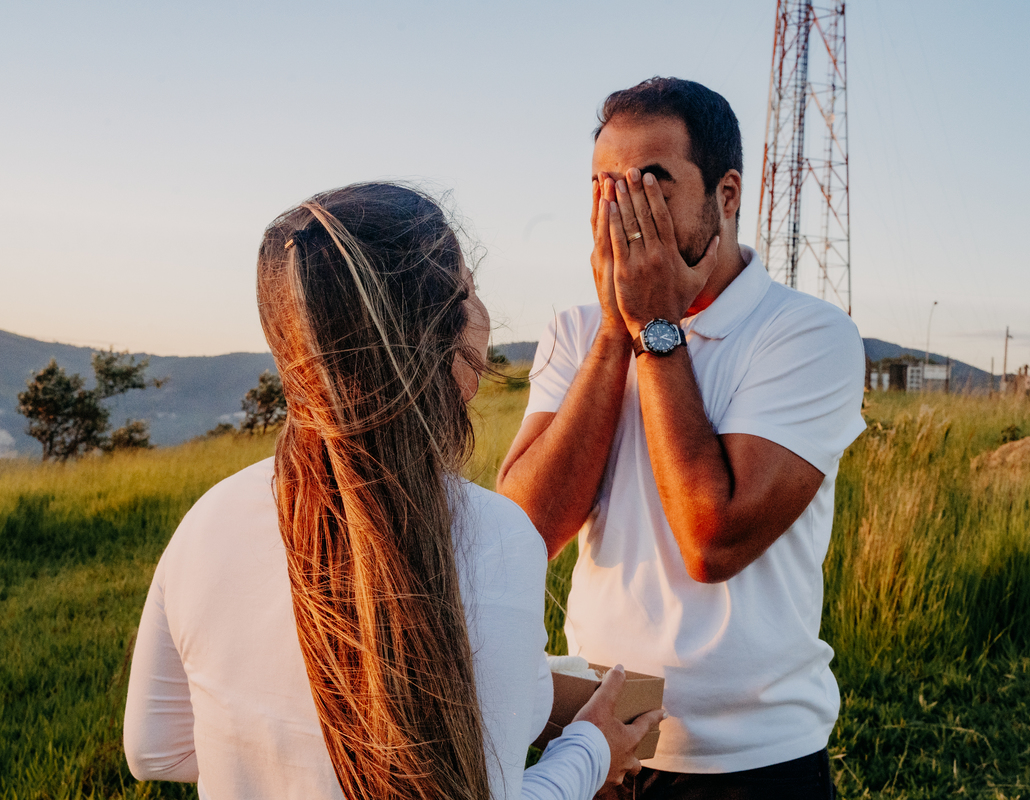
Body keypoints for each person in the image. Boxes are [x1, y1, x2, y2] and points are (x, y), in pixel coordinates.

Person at [123, 182, 663, 800]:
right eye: (470, 289)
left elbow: (154, 749)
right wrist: (592, 749)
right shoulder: (492, 537)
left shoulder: (207, 520)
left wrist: (278, 746)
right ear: (445, 333)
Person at [496, 78, 866, 799]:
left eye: (650, 182)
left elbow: (711, 539)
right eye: (603, 187)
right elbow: (523, 532)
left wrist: (657, 331)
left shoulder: (808, 334)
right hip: (601, 736)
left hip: (752, 762)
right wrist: (616, 329)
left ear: (726, 196)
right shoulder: (576, 331)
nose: (621, 210)